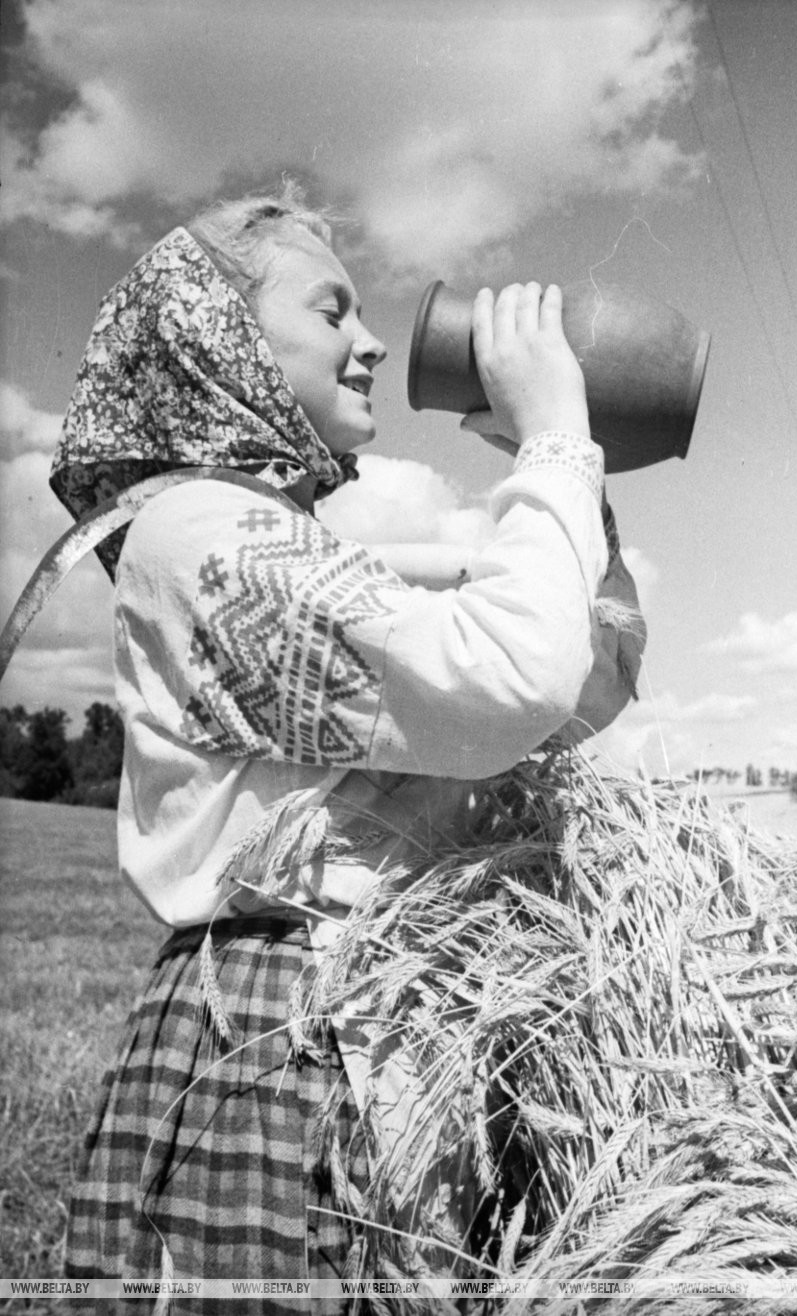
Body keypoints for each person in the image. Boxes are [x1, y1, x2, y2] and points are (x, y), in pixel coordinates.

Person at [52, 179, 643, 1302]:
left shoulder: (284, 542)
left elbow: (577, 683)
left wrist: (578, 481)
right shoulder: (197, 536)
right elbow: (509, 678)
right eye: (333, 311)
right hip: (282, 1043)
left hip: (370, 1020)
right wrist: (555, 438)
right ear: (214, 339)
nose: (372, 344)